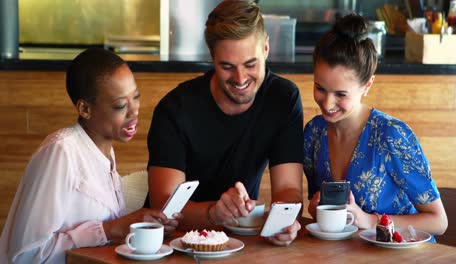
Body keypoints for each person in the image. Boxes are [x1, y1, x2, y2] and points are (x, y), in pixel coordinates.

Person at [0, 48, 181, 263]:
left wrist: (140, 227)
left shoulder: (104, 153)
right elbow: (25, 256)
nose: (134, 112)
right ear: (85, 109)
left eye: (136, 98)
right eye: (120, 106)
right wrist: (107, 230)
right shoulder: (61, 152)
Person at [146, 0, 303, 246]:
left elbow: (288, 189)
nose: (240, 78)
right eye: (227, 67)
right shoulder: (175, 108)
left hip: (240, 240)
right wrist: (214, 213)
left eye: (250, 64)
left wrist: (284, 220)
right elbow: (164, 208)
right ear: (212, 58)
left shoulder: (283, 98)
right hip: (175, 243)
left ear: (265, 48)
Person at [304, 14, 447, 238]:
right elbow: (329, 215)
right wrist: (317, 210)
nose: (327, 103)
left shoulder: (392, 135)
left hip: (403, 255)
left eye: (341, 94)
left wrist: (369, 220)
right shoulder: (313, 133)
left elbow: (438, 222)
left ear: (367, 84)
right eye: (320, 88)